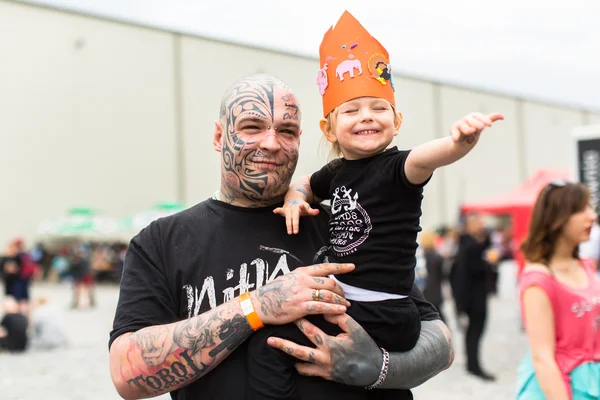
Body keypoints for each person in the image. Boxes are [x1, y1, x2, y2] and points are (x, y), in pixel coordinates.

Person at [108, 73, 454, 400]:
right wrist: (256, 306)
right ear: (219, 137)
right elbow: (127, 374)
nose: (271, 143)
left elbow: (440, 342)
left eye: (286, 131)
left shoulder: (346, 222)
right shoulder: (161, 241)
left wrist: (378, 368)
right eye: (252, 127)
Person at [248, 10, 501, 400]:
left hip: (384, 313)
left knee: (273, 341)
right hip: (346, 303)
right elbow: (304, 183)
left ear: (396, 121)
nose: (367, 116)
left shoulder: (399, 168)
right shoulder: (335, 172)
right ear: (329, 128)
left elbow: (428, 156)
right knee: (283, 348)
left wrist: (460, 142)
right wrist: (296, 200)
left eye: (378, 108)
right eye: (352, 110)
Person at [517, 180, 600, 399]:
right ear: (557, 218)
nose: (592, 215)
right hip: (560, 386)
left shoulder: (587, 266)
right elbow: (543, 357)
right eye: (580, 209)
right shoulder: (539, 279)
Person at [451, 213, 496, 380]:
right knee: (474, 332)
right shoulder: (470, 246)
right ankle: (473, 365)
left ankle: (472, 364)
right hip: (473, 298)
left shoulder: (468, 244)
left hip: (473, 297)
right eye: (478, 222)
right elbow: (472, 271)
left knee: (473, 332)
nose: (481, 225)